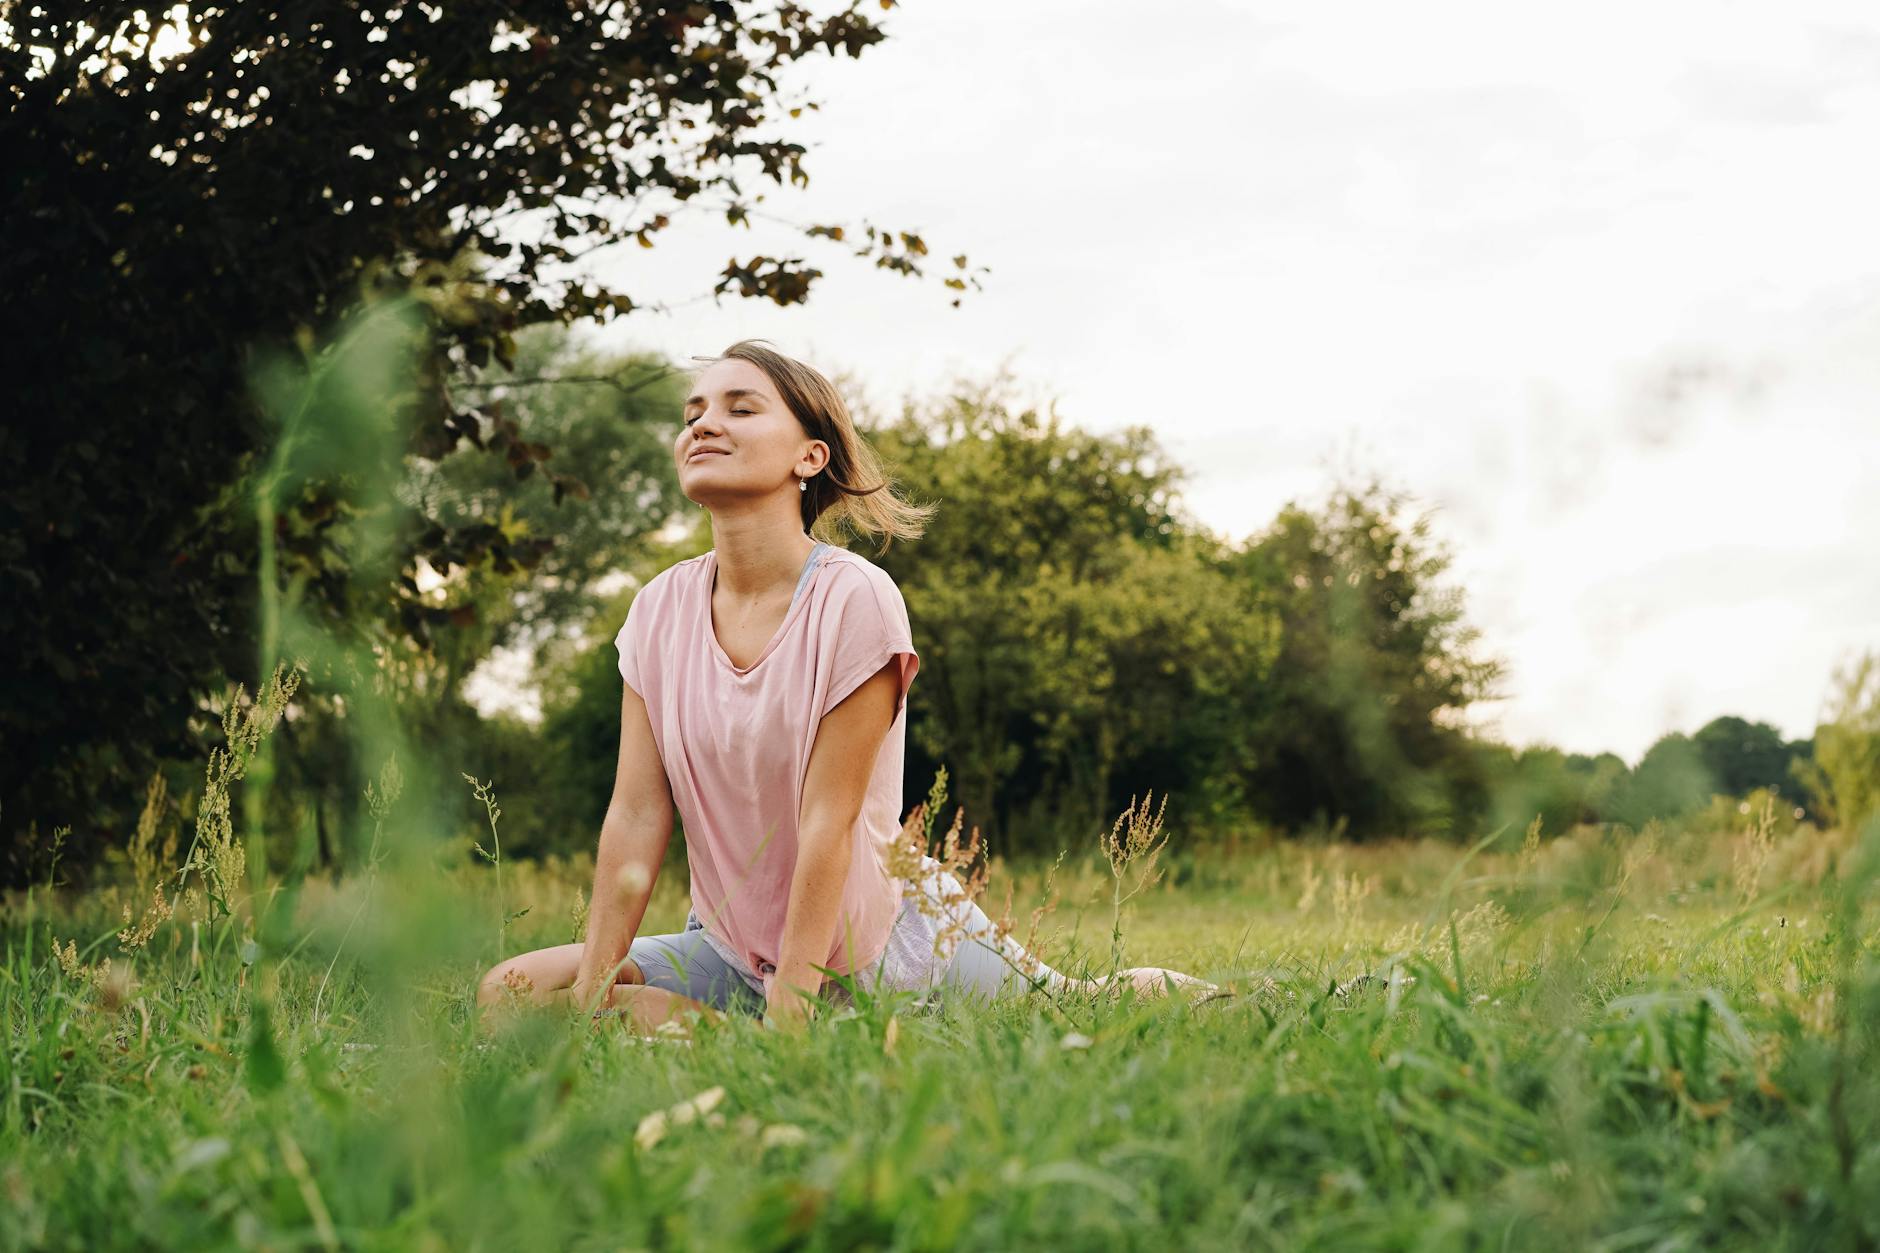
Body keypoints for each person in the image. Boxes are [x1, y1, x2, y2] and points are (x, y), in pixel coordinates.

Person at [476, 340, 1213, 1036]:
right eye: (693, 411)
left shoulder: (856, 599)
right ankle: (733, 1033)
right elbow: (636, 813)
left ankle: (1246, 996)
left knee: (1085, 1008)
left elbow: (829, 820)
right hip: (736, 950)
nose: (704, 423)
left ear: (810, 454)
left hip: (880, 942)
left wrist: (791, 1020)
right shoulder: (656, 612)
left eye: (740, 406)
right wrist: (592, 990)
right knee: (509, 994)